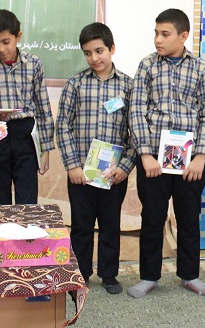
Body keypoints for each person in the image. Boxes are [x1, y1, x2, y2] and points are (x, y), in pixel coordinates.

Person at [127, 9, 205, 298]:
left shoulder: (200, 69)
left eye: (165, 34)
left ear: (183, 36)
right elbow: (136, 112)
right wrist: (145, 155)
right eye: (156, 33)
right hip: (153, 157)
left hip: (189, 160)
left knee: (189, 217)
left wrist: (201, 157)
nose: (158, 39)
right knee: (152, 218)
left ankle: (190, 275)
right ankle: (149, 277)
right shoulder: (147, 65)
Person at [55, 22, 135, 295]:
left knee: (111, 225)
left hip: (113, 174)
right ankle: (80, 274)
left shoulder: (128, 86)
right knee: (81, 225)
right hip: (81, 174)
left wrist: (125, 166)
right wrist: (72, 166)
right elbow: (63, 126)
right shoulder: (75, 84)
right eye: (88, 53)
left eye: (99, 51)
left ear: (112, 49)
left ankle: (109, 275)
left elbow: (136, 131)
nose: (94, 58)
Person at [0, 9, 54, 205]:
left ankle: (25, 226)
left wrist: (46, 150)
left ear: (18, 36)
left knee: (27, 199)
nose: (1, 49)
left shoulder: (34, 64)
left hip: (25, 135)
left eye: (6, 42)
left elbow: (43, 109)